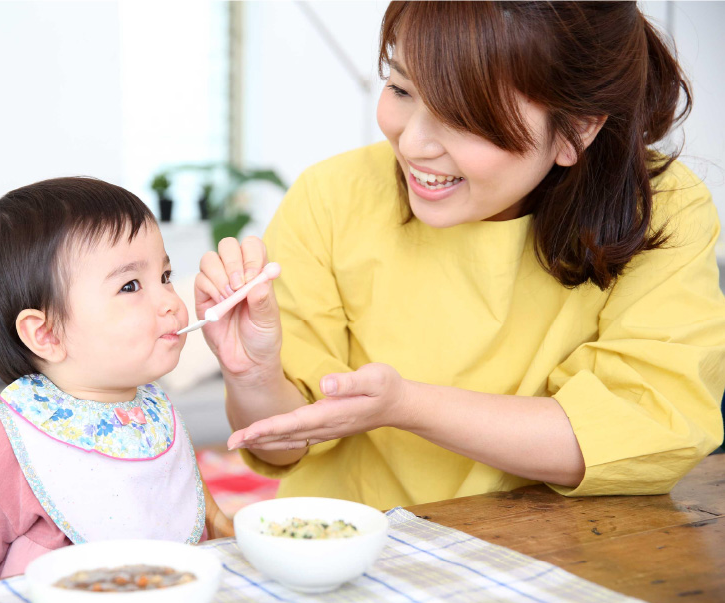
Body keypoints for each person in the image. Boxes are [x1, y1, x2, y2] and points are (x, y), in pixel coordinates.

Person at [194, 1, 725, 510]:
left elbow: (650, 431)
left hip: (560, 555)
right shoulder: (333, 196)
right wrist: (254, 377)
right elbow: (282, 444)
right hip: (348, 551)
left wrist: (408, 406)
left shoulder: (659, 209)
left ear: (578, 129)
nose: (414, 143)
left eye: (465, 116)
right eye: (401, 87)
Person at [0, 178, 232, 589]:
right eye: (131, 285)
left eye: (166, 275)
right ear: (46, 334)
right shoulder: (10, 441)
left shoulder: (156, 415)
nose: (171, 300)